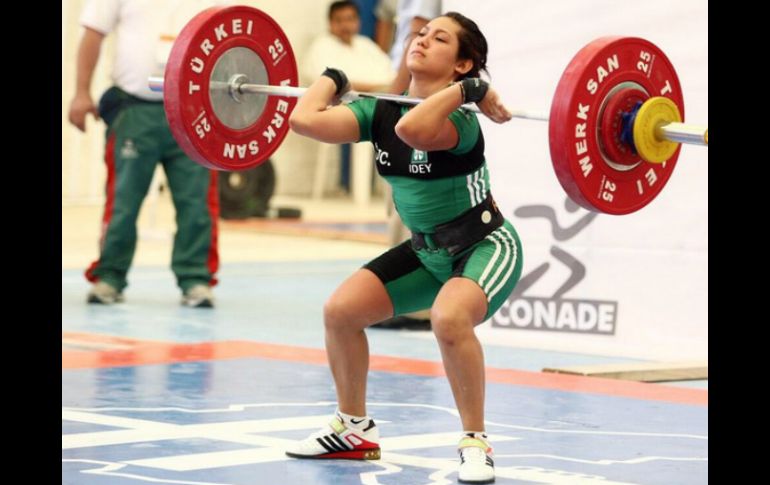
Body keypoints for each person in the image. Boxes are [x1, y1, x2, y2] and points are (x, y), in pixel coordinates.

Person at [285, 11, 522, 484]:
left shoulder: (461, 121)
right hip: (425, 253)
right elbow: (303, 120)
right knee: (341, 312)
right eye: (420, 35)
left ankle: (476, 444)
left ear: (461, 64)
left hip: (483, 246)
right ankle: (353, 429)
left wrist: (471, 93)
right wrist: (333, 78)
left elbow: (414, 131)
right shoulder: (379, 111)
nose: (422, 41)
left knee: (450, 319)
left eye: (439, 39)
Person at [67, 0, 221, 308]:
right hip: (135, 110)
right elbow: (93, 34)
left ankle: (196, 280)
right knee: (122, 200)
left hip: (195, 113)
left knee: (197, 201)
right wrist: (82, 92)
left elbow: (231, 47)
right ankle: (109, 276)